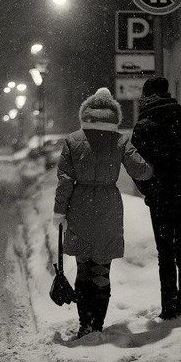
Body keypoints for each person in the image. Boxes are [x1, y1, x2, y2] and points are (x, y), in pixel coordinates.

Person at [54, 87, 153, 338]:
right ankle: (98, 324)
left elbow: (65, 180)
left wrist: (59, 212)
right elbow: (142, 171)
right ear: (113, 115)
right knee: (102, 270)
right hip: (108, 207)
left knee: (83, 266)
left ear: (86, 113)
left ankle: (84, 324)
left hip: (79, 206)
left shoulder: (73, 140)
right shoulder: (120, 141)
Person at [131, 76, 181, 320]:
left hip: (161, 199)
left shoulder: (143, 126)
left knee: (166, 255)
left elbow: (135, 165)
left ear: (147, 96)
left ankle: (169, 308)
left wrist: (149, 189)